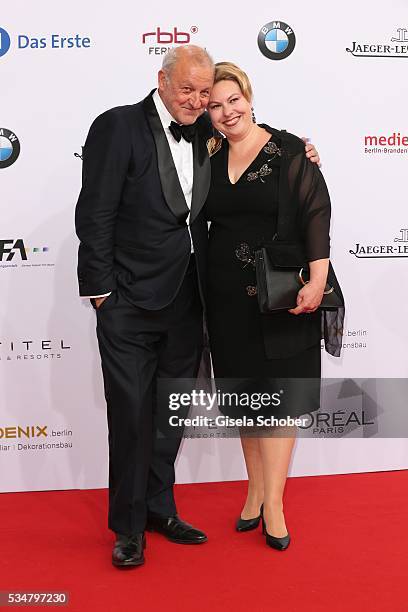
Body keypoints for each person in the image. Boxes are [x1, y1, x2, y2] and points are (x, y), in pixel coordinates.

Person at [75, 46, 320, 568]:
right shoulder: (118, 127)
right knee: (133, 414)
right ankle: (129, 527)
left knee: (170, 415)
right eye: (186, 89)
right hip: (128, 302)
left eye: (203, 92)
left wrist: (302, 153)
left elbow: (255, 152)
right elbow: (94, 211)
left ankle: (161, 509)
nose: (196, 100)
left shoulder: (209, 138)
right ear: (161, 81)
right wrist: (101, 292)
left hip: (192, 300)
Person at [204, 62, 344, 551]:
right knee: (247, 401)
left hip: (283, 294)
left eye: (232, 100)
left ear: (248, 96)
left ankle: (277, 504)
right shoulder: (207, 152)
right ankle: (255, 493)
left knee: (279, 401)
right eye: (215, 105)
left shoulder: (288, 150)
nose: (226, 112)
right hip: (225, 299)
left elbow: (316, 211)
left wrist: (319, 279)